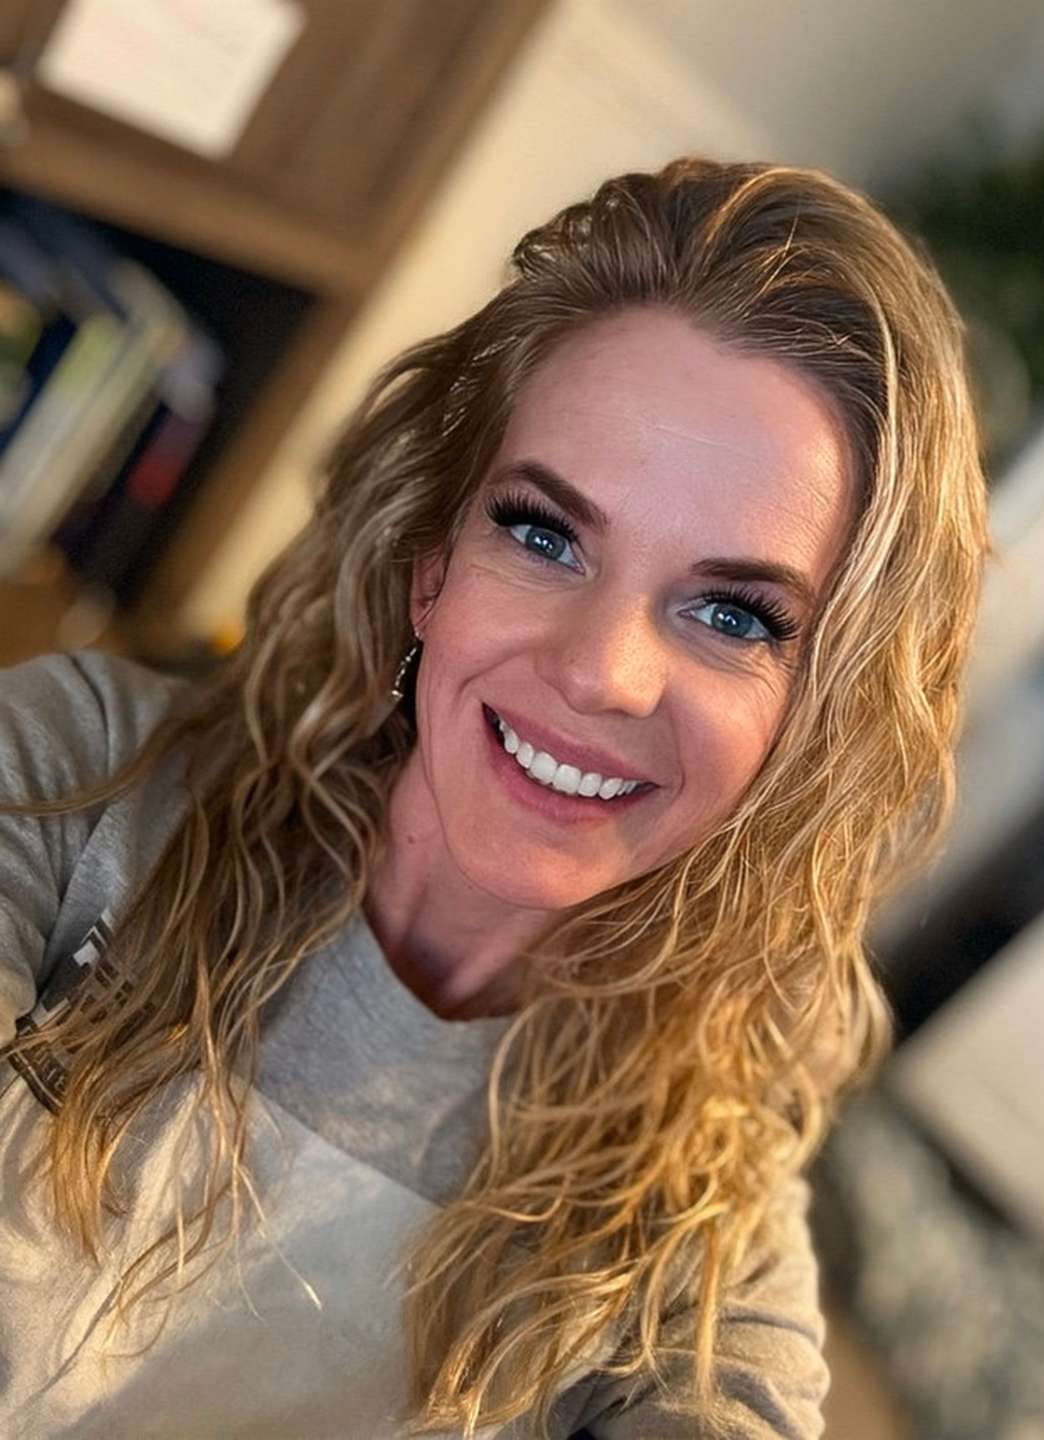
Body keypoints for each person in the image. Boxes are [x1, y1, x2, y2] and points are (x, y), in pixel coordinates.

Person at [0, 159, 987, 1437]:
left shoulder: (694, 1241)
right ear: (433, 562)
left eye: (735, 614)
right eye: (543, 534)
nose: (598, 671)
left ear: (813, 719)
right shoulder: (72, 772)